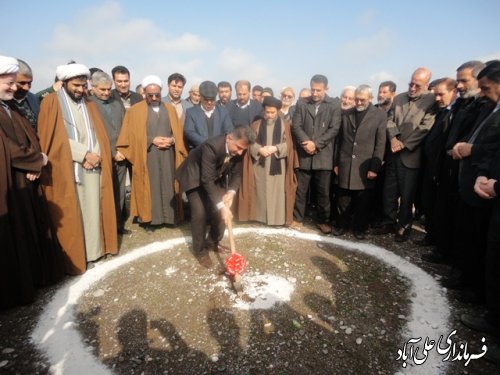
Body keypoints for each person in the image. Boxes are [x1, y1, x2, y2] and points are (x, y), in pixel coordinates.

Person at [36, 63, 118, 274]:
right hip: (69, 168)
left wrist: (95, 156)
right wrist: (84, 155)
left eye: (83, 85)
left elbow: (98, 133)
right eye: (76, 85)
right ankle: (78, 256)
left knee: (93, 209)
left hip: (94, 165)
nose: (80, 90)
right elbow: (53, 139)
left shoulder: (89, 104)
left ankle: (95, 251)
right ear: (63, 83)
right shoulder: (51, 103)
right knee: (76, 212)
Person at [0, 56, 63, 308]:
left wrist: (35, 162)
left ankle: (33, 279)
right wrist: (36, 160)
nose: (14, 88)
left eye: (15, 83)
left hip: (24, 180)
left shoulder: (10, 107)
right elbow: (7, 148)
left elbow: (29, 137)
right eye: (10, 82)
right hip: (7, 185)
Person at [459, 64, 500, 366]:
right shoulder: (492, 108)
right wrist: (484, 175)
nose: (482, 92)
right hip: (487, 188)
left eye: (485, 86)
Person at [175, 125, 255, 268]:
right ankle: (200, 251)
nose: (240, 152)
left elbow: (237, 174)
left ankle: (213, 242)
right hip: (194, 177)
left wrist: (230, 192)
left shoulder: (239, 149)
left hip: (213, 177)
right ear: (229, 138)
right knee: (200, 213)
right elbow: (206, 180)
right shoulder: (211, 146)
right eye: (238, 148)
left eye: (244, 149)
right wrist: (220, 205)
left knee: (222, 211)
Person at [116, 75, 187, 231]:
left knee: (169, 184)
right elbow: (130, 137)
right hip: (147, 156)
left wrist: (172, 141)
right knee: (150, 187)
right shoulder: (135, 111)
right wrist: (151, 140)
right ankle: (150, 220)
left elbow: (178, 133)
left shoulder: (170, 109)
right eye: (150, 95)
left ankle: (170, 218)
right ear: (144, 93)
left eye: (157, 95)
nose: (154, 98)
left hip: (168, 155)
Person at [374, 67, 436, 242]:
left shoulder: (431, 100)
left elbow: (425, 126)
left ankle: (404, 225)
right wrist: (393, 138)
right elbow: (390, 119)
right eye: (411, 83)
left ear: (427, 85)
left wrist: (404, 144)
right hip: (393, 153)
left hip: (411, 156)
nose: (413, 88)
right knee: (389, 192)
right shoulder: (399, 98)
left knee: (407, 195)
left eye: (418, 85)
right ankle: (388, 221)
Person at [332, 85, 387, 239]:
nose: (358, 102)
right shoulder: (346, 113)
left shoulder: (379, 115)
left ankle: (359, 228)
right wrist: (336, 163)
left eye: (362, 100)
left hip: (366, 165)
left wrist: (374, 168)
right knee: (343, 199)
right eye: (356, 99)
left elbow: (380, 143)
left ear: (370, 99)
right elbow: (339, 140)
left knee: (363, 201)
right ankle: (341, 225)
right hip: (345, 162)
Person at [291, 74, 341, 234]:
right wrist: (306, 143)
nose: (315, 93)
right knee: (301, 190)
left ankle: (323, 221)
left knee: (323, 192)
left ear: (326, 89)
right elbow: (296, 126)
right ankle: (298, 218)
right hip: (304, 154)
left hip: (323, 156)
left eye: (318, 90)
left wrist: (316, 144)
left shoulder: (334, 105)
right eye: (313, 89)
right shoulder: (302, 103)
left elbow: (334, 129)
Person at [238, 96, 297, 226]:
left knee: (277, 193)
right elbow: (249, 143)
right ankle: (259, 217)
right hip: (259, 165)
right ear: (263, 111)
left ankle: (277, 219)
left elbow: (290, 146)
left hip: (278, 165)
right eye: (267, 112)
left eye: (273, 112)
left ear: (277, 111)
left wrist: (276, 148)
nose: (269, 115)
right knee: (259, 191)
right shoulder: (256, 125)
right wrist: (259, 149)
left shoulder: (285, 125)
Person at [416, 78, 457, 250]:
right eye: (435, 95)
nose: (437, 98)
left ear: (453, 92)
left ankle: (440, 244)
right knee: (428, 202)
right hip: (430, 165)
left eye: (441, 94)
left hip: (444, 169)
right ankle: (431, 236)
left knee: (440, 208)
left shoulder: (456, 112)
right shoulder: (441, 111)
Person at [88, 71, 129, 235]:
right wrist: (112, 152)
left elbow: (126, 127)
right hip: (102, 156)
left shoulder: (116, 103)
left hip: (121, 155)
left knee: (119, 191)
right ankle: (105, 227)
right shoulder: (88, 104)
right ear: (93, 86)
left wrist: (123, 149)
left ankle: (118, 225)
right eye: (102, 90)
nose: (106, 93)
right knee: (104, 192)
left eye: (108, 89)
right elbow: (94, 133)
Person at [184, 80, 233, 151]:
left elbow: (229, 131)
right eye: (206, 100)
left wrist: (218, 145)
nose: (209, 102)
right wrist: (209, 144)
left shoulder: (223, 112)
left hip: (218, 152)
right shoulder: (191, 112)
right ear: (200, 97)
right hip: (198, 153)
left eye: (212, 99)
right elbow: (189, 132)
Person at [7, 59, 39, 130]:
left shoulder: (34, 99)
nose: (27, 88)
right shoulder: (3, 102)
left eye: (29, 83)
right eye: (22, 83)